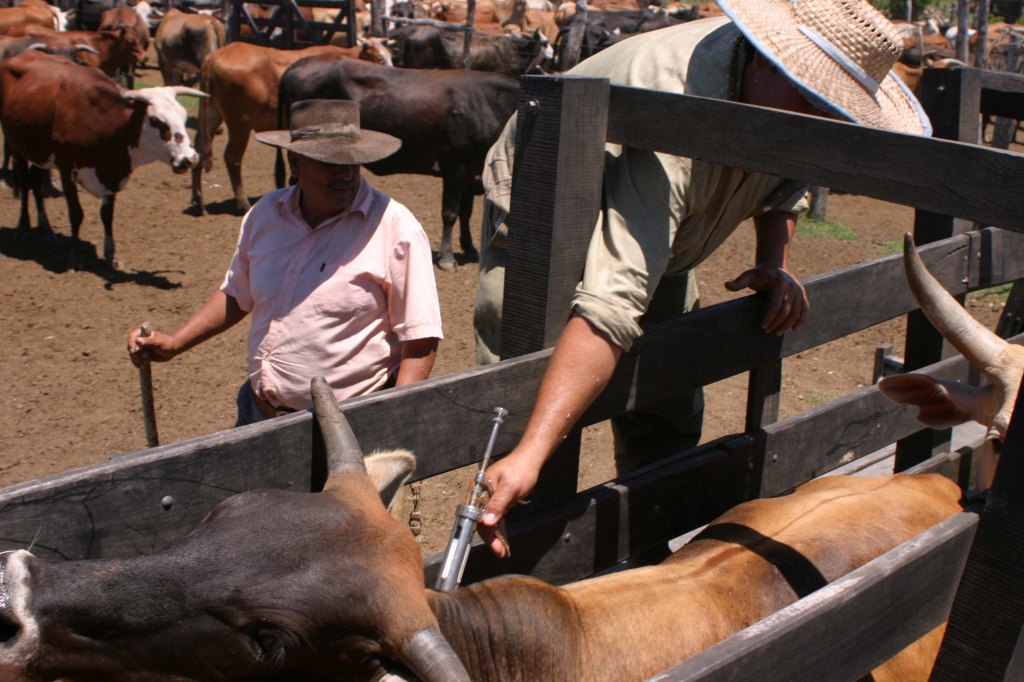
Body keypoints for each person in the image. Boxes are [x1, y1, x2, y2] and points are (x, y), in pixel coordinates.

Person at [474, 0, 932, 557]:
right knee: (521, 399)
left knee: (668, 394)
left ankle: (641, 546)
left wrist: (774, 261)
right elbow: (610, 306)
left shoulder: (787, 108)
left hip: (665, 238)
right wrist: (530, 452)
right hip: (540, 217)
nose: (826, 121)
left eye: (838, 108)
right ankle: (508, 561)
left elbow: (786, 182)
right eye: (815, 97)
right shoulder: (678, 118)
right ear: (767, 61)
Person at [127, 99, 443, 424]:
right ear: (294, 162)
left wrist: (393, 420)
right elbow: (238, 293)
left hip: (350, 427)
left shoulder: (395, 228)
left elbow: (420, 339)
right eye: (329, 162)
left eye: (352, 162)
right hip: (259, 412)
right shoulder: (265, 215)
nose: (345, 174)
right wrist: (176, 342)